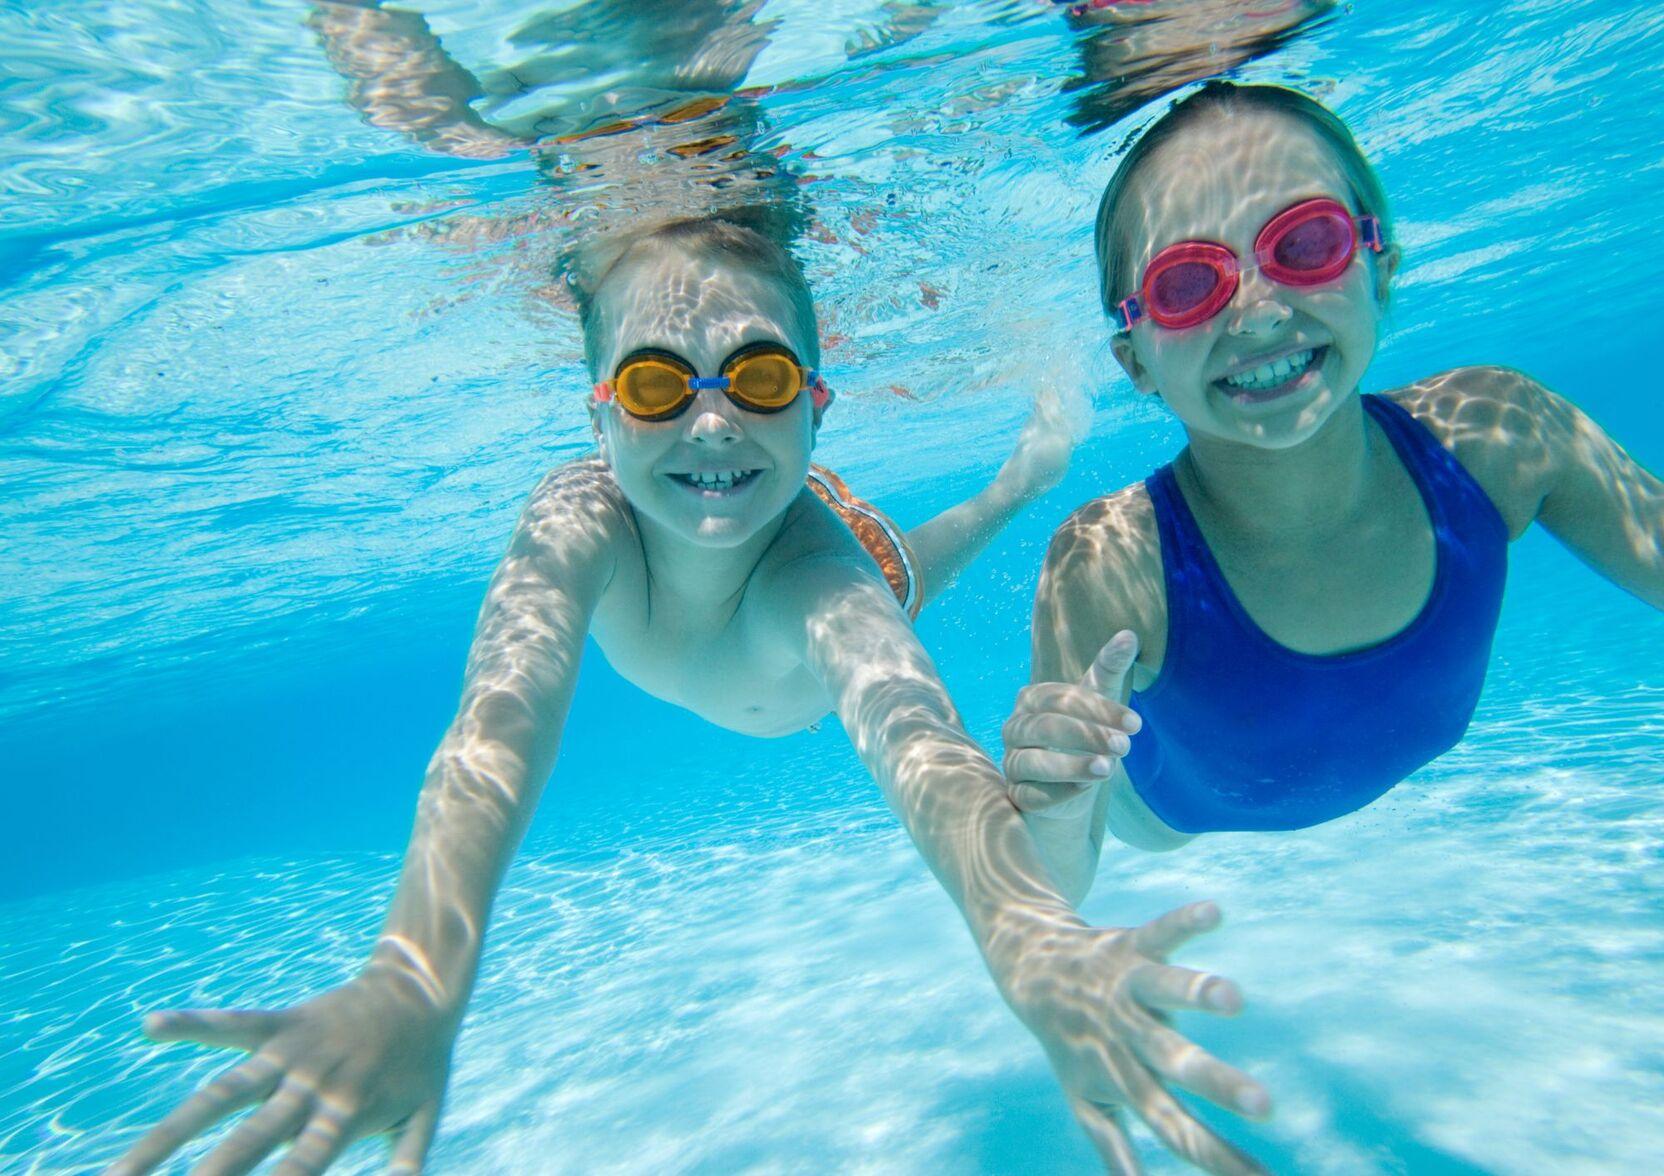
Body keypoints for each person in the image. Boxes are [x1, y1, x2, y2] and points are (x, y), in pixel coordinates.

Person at [106, 215, 1265, 1176]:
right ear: (597, 408)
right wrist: (415, 973)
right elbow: (493, 727)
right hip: (781, 546)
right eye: (659, 385)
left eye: (758, 376)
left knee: (916, 563)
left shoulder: (825, 588)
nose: (712, 419)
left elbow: (922, 741)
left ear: (816, 403)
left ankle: (1024, 474)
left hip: (824, 555)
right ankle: (1016, 472)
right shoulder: (574, 525)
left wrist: (1027, 935)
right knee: (898, 566)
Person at [1002, 80, 1664, 1170]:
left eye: (1300, 243)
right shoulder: (1108, 563)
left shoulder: (1500, 436)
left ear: (1379, 261)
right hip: (1172, 816)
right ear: (1132, 357)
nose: (1255, 309)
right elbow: (1051, 880)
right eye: (1185, 284)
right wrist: (1050, 800)